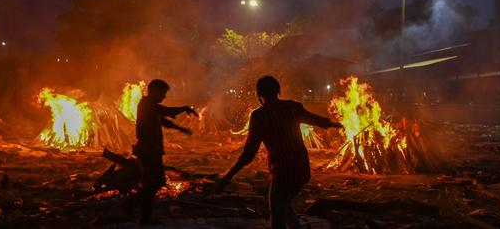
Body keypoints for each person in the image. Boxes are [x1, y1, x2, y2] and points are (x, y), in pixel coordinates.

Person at [215, 75, 342, 229]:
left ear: (258, 95)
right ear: (278, 91)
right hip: (302, 169)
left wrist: (228, 176)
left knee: (277, 214)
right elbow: (320, 121)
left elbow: (249, 153)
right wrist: (336, 124)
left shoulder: (259, 116)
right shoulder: (293, 107)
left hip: (282, 172)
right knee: (284, 204)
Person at [129, 79, 198, 225]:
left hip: (151, 150)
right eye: (163, 92)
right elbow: (166, 111)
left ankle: (140, 211)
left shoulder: (150, 106)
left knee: (153, 182)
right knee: (155, 181)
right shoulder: (147, 104)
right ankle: (136, 207)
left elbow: (163, 120)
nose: (164, 96)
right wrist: (184, 108)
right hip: (148, 150)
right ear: (154, 91)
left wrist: (180, 129)